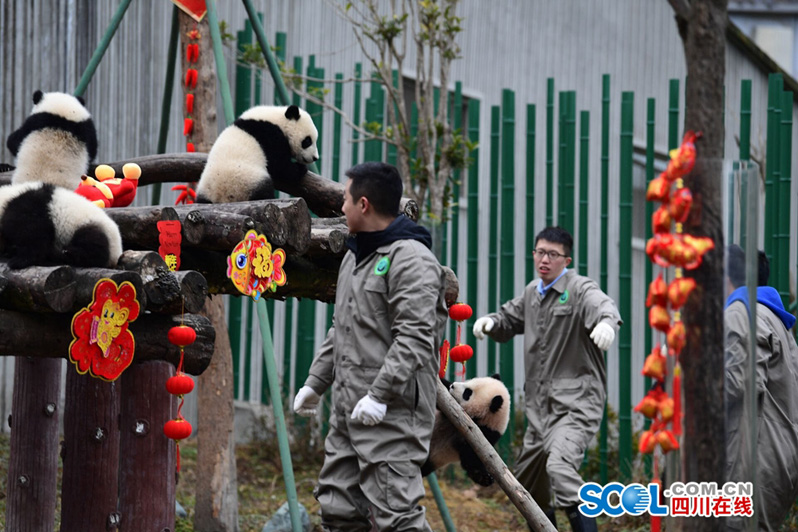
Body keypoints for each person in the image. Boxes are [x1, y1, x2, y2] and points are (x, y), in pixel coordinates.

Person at [292, 161, 448, 532]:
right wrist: (316, 382)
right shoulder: (354, 255)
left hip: (392, 413)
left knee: (397, 515)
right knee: (338, 508)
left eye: (345, 199)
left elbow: (415, 338)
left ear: (364, 204)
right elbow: (342, 327)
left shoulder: (412, 260)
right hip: (349, 409)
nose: (341, 207)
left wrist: (379, 395)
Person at [472, 226, 621, 532]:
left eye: (553, 254)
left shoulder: (579, 289)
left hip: (576, 404)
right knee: (527, 484)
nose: (544, 259)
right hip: (540, 409)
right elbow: (509, 318)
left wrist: (607, 323)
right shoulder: (532, 293)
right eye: (540, 252)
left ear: (566, 260)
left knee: (560, 467)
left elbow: (602, 305)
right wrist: (491, 321)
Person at [724, 245, 798, 531]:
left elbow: (737, 383)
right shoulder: (776, 320)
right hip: (775, 461)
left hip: (750, 462)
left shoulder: (740, 312)